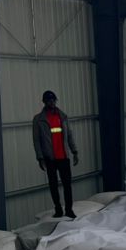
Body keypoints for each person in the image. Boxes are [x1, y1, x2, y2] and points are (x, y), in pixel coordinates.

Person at [33, 90, 79, 219]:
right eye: (49, 100)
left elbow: (69, 135)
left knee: (67, 185)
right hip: (50, 158)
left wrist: (74, 151)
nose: (52, 102)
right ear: (44, 102)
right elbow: (36, 140)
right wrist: (40, 158)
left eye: (53, 100)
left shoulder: (63, 117)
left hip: (63, 157)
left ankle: (69, 210)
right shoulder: (38, 120)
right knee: (53, 185)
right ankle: (58, 209)